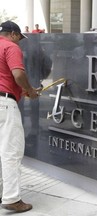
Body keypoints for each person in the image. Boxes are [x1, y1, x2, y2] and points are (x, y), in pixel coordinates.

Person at [0, 20, 40, 213]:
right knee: (11, 151)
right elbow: (17, 74)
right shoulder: (11, 47)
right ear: (14, 34)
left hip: (4, 97)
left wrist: (19, 90)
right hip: (4, 104)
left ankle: (2, 192)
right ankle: (12, 198)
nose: (20, 42)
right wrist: (30, 90)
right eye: (20, 38)